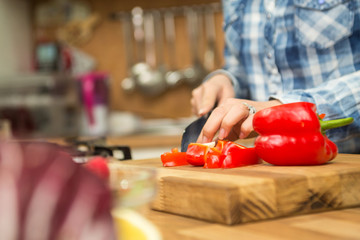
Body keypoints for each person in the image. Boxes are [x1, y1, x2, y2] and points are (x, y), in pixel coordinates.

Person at [191, 0, 360, 153]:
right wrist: (227, 80)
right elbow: (243, 68)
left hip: (346, 163)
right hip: (271, 162)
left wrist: (282, 110)